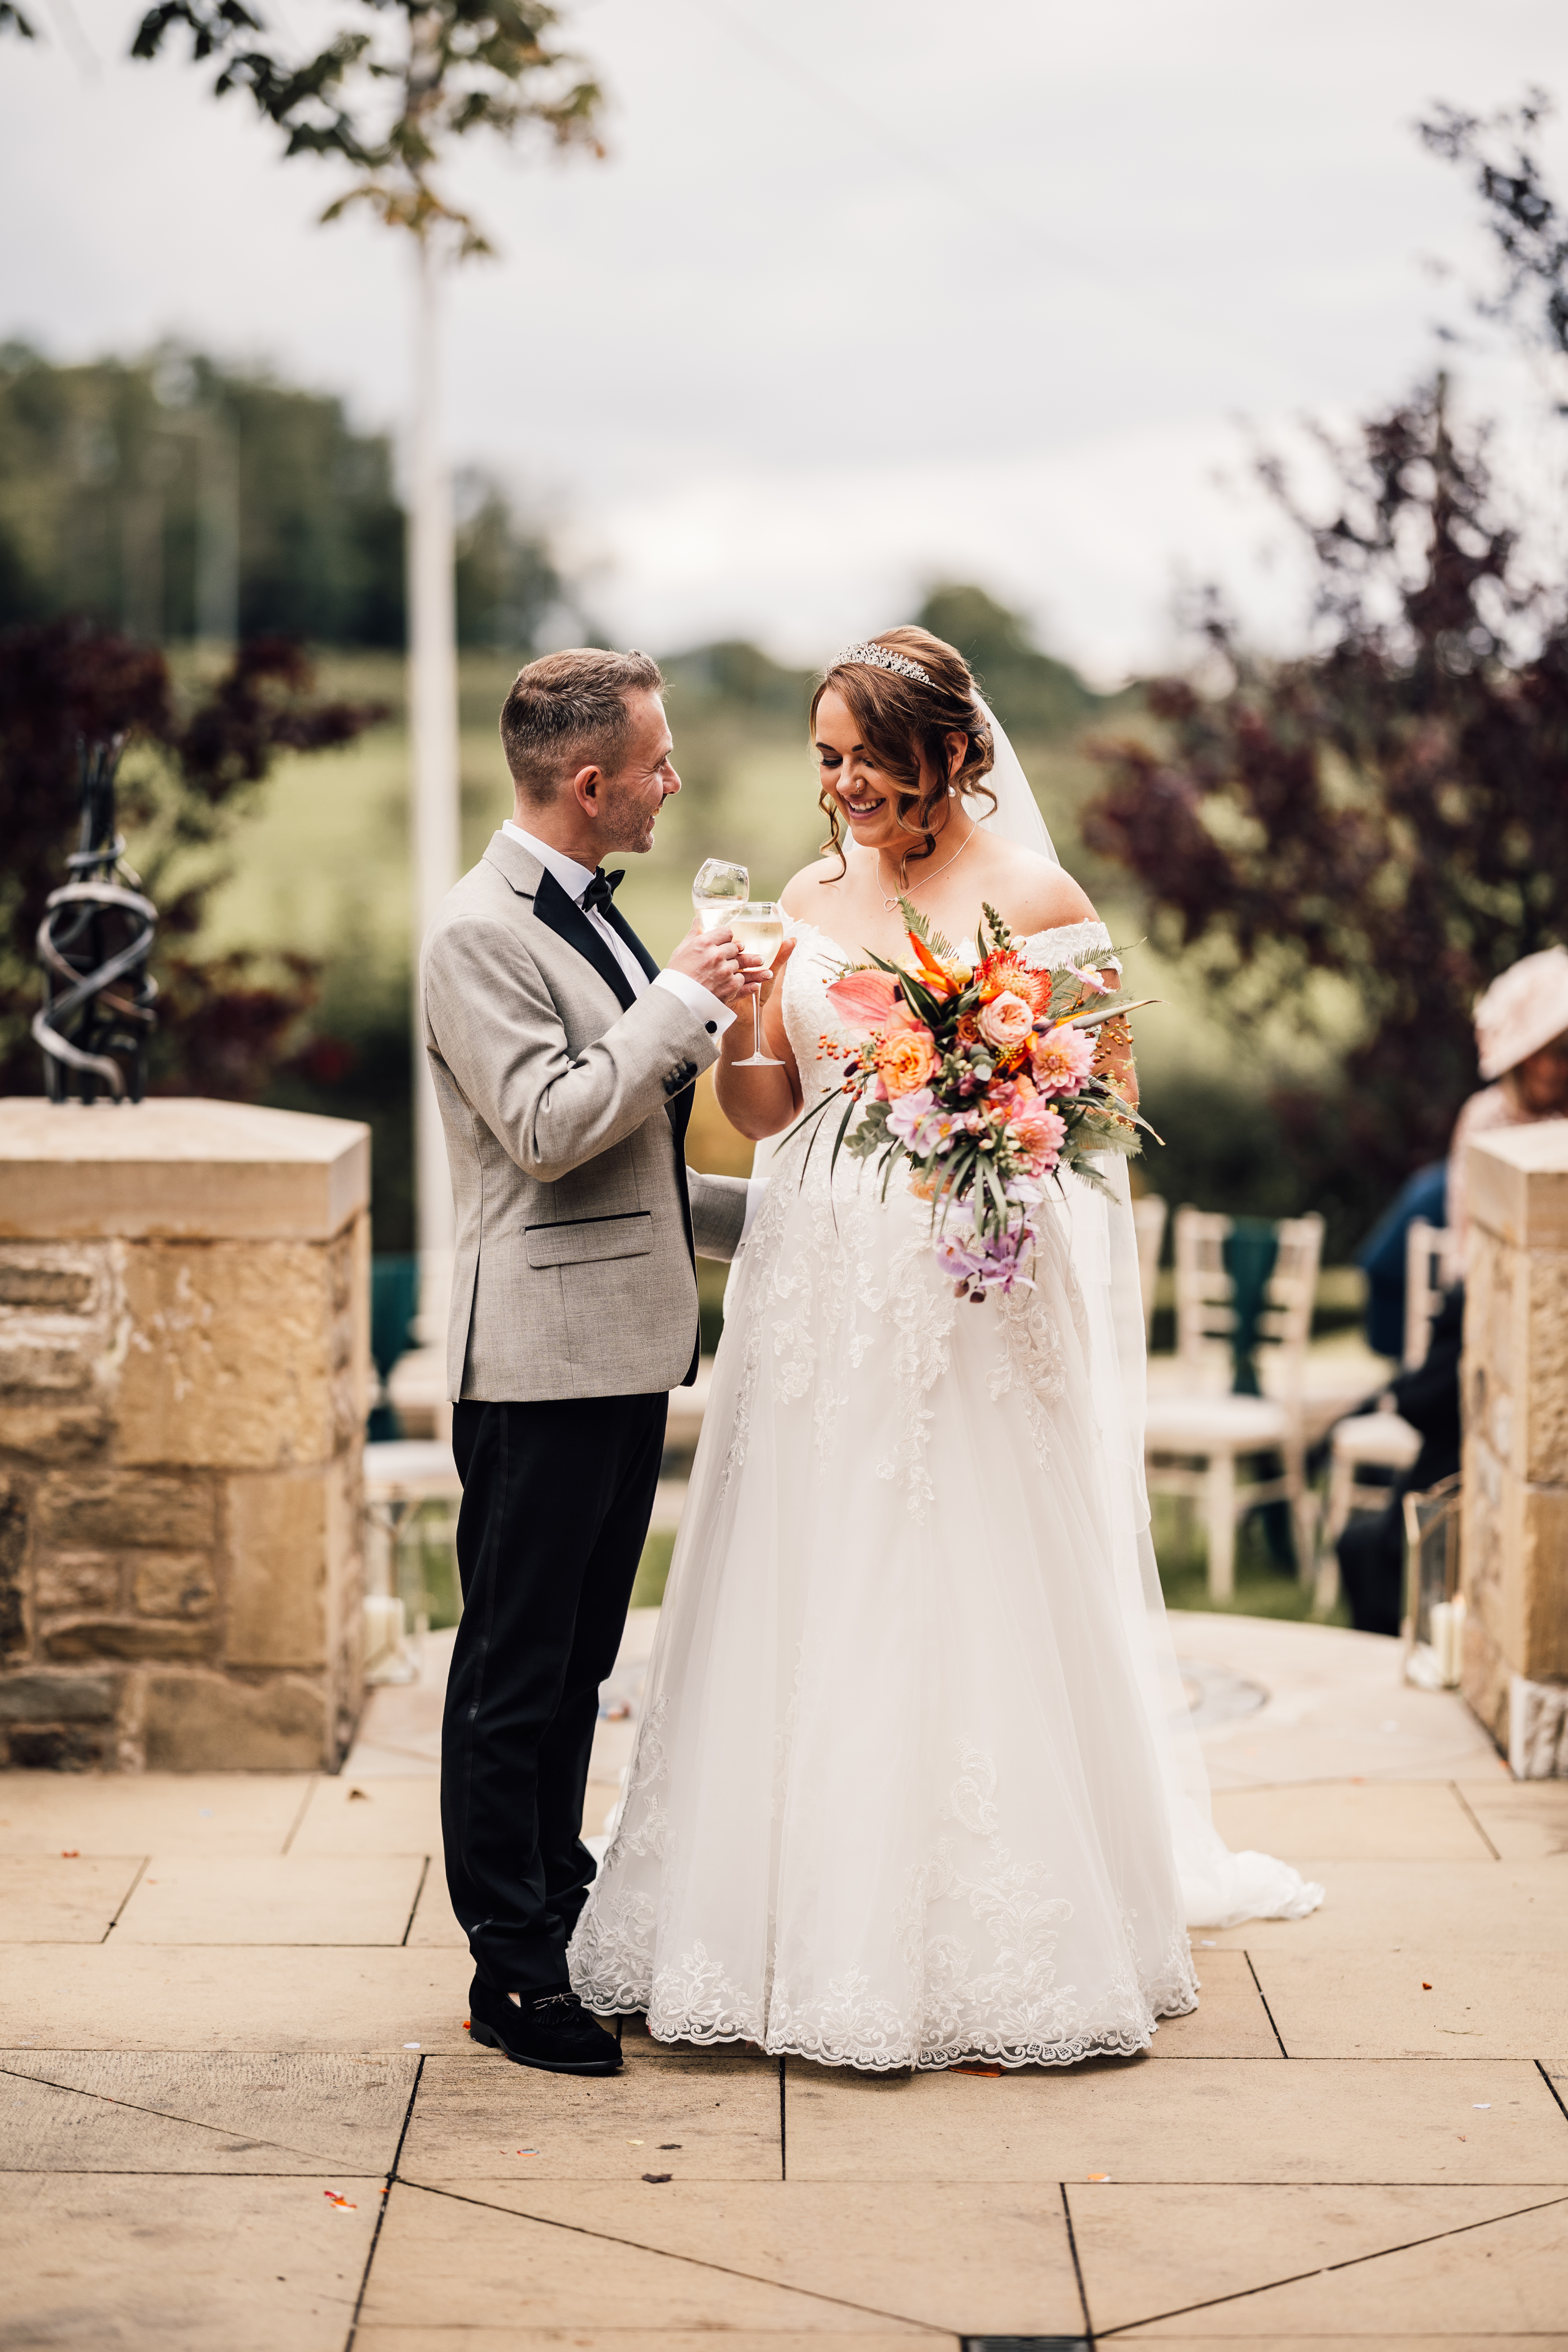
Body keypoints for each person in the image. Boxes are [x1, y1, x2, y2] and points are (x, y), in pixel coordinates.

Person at [571, 629, 1321, 2074]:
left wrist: (1000, 1124)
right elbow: (770, 1106)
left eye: (866, 757)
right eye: (826, 758)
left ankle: (983, 1932)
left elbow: (1104, 1103)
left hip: (970, 1280)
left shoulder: (1038, 899)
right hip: (813, 1281)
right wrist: (739, 1014)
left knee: (959, 1564)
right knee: (811, 1567)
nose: (842, 785)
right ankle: (776, 1911)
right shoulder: (804, 894)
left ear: (950, 755)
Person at [420, 648, 767, 2077]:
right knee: (512, 1669)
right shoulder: (473, 935)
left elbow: (630, 1158)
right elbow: (549, 1126)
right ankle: (510, 1970)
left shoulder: (597, 921)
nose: (671, 779)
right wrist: (681, 1003)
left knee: (576, 1665)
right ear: (587, 782)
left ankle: (557, 1902)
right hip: (536, 1356)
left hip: (623, 1345)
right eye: (656, 760)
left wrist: (801, 1222)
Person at [1336, 945, 1568, 1636]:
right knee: (1449, 1419)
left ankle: (1393, 1564)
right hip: (1485, 1312)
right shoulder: (1486, 1120)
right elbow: (1474, 1243)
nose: (1554, 1068)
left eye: (1563, 1053)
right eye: (1545, 1053)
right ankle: (1399, 1570)